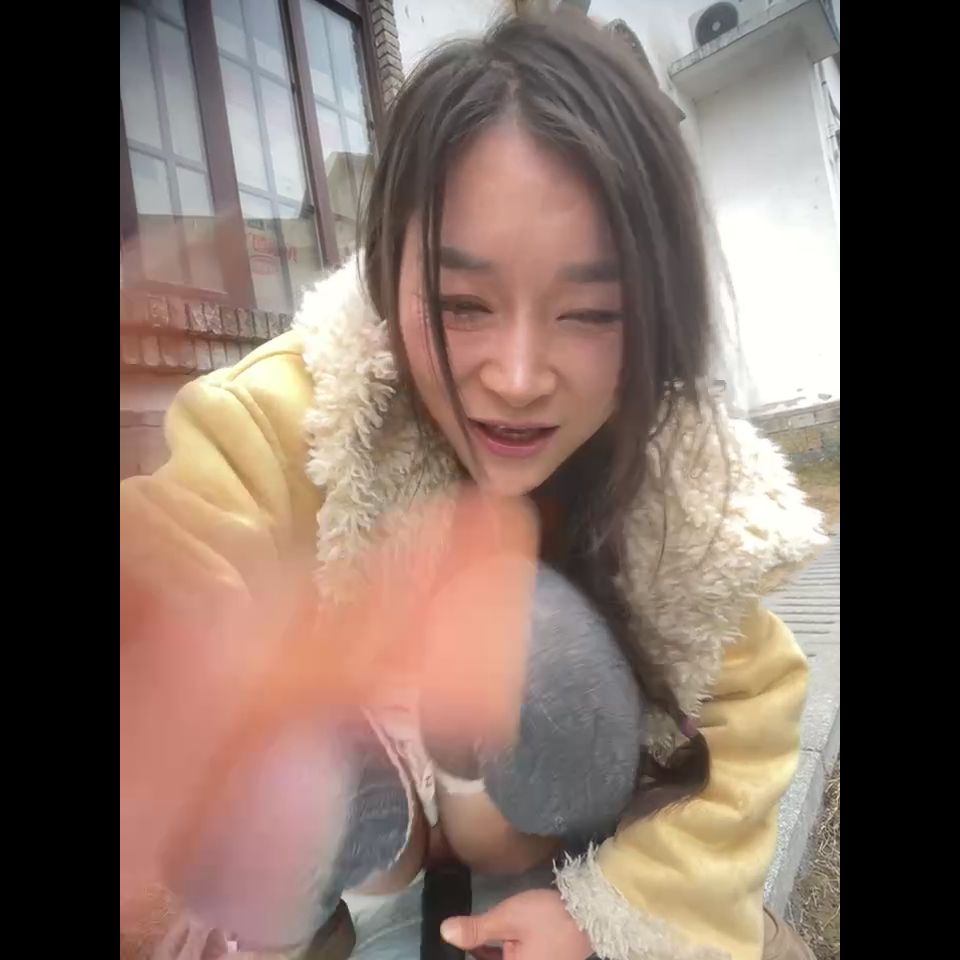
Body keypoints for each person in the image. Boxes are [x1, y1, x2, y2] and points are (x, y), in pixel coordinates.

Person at [119, 11, 826, 960]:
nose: (519, 376)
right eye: (461, 304)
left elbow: (757, 713)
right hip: (367, 875)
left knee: (537, 631)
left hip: (569, 843)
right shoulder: (292, 420)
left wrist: (612, 911)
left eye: (590, 312)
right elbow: (173, 560)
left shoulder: (683, 490)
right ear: (387, 270)